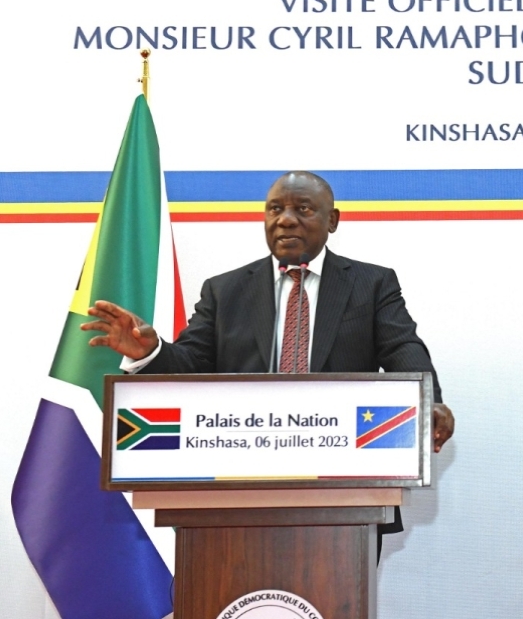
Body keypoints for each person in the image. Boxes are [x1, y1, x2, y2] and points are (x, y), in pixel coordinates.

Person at [81, 170, 454, 551]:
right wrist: (150, 350)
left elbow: (403, 349)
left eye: (302, 209)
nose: (285, 219)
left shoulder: (370, 284)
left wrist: (429, 404)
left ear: (333, 220)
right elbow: (191, 362)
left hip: (342, 488)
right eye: (274, 209)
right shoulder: (225, 290)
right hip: (234, 487)